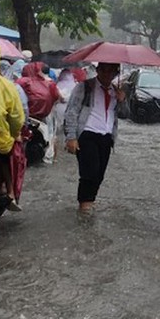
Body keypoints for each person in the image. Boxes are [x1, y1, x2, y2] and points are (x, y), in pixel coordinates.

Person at [64, 62, 128, 216]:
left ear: (115, 73)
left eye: (110, 71)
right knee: (89, 172)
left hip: (106, 136)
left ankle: (90, 200)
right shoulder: (85, 87)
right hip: (87, 134)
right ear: (97, 70)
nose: (106, 74)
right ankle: (84, 205)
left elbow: (126, 115)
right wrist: (71, 137)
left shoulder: (116, 91)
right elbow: (71, 112)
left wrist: (122, 101)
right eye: (103, 70)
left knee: (99, 174)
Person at [0, 41, 26, 212]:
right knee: (7, 157)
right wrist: (15, 133)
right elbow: (17, 117)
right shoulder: (7, 86)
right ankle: (9, 192)